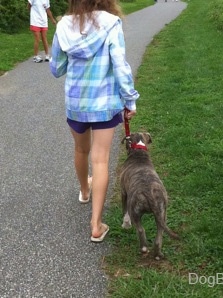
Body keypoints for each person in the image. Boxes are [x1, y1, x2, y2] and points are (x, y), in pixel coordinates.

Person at [50, 0, 139, 242]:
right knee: (100, 160)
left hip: (76, 103)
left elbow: (56, 69)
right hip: (104, 103)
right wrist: (130, 99)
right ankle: (96, 224)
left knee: (80, 149)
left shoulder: (64, 25)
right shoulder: (111, 24)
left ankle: (84, 190)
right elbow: (120, 65)